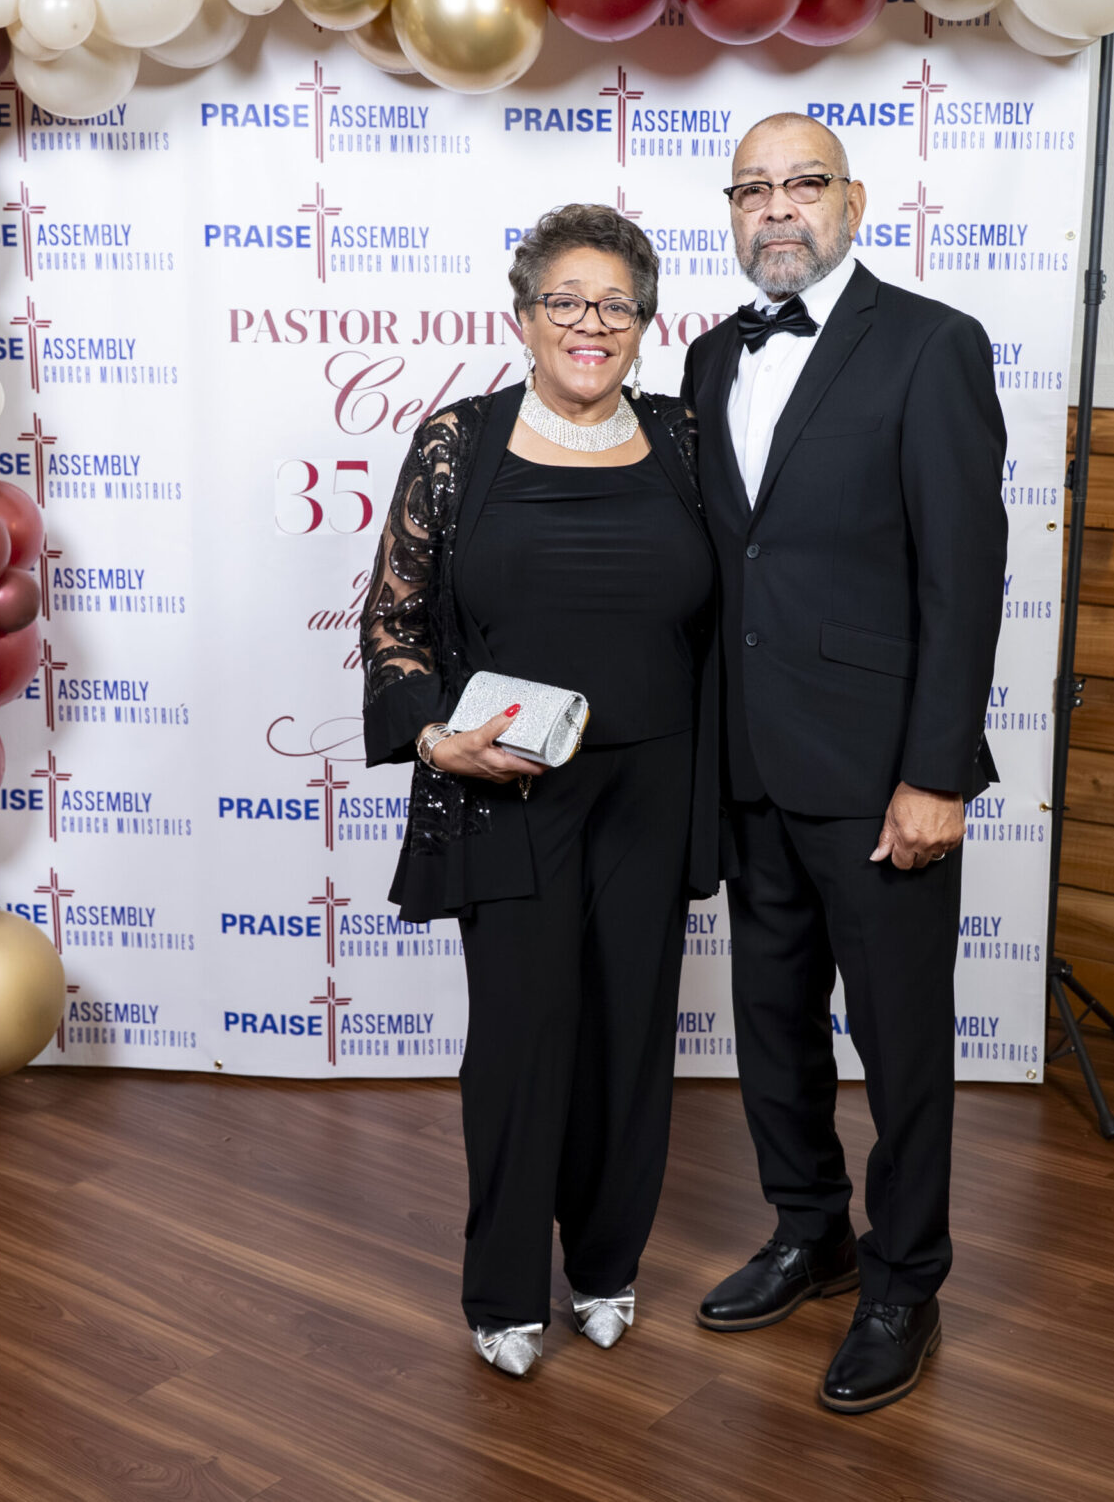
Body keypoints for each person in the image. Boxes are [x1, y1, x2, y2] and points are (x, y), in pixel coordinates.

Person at [680, 114, 1008, 1414]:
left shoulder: (932, 343)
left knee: (902, 1043)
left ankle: (903, 1279)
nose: (776, 207)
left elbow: (963, 578)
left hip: (881, 778)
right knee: (769, 1023)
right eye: (752, 189)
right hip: (748, 762)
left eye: (802, 183)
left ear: (853, 202)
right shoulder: (709, 355)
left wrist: (937, 772)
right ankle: (808, 1228)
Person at [360, 204, 720, 1379]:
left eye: (614, 303)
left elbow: (740, 608)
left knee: (630, 1038)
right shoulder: (458, 441)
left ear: (645, 323)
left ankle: (607, 1266)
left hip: (654, 785)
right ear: (522, 316)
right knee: (520, 1039)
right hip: (509, 786)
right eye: (565, 299)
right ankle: (505, 1289)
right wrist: (433, 738)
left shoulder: (684, 437)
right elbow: (395, 619)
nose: (589, 322)